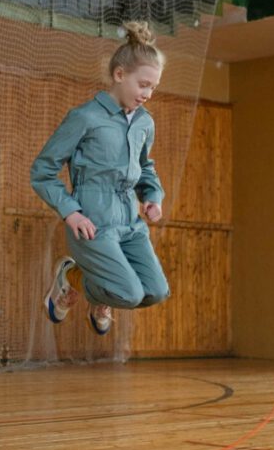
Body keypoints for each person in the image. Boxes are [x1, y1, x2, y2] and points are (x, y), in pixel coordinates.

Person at [31, 20, 170, 336]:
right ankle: (73, 278)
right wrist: (71, 212)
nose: (148, 94)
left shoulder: (145, 123)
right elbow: (42, 171)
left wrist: (152, 197)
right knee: (129, 294)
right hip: (93, 224)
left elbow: (145, 167)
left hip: (130, 223)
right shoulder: (84, 118)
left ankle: (101, 291)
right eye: (143, 85)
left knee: (156, 292)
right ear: (120, 75)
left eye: (153, 87)